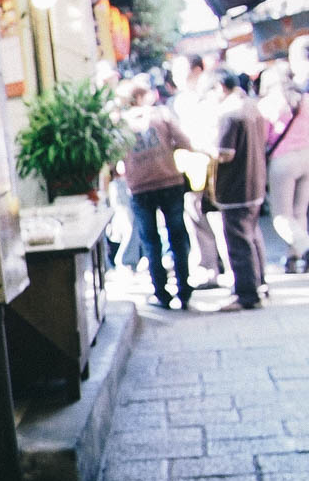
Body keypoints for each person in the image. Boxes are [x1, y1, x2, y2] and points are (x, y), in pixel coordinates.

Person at [115, 81, 194, 307]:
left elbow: (115, 161)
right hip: (170, 181)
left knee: (151, 241)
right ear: (140, 96)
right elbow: (184, 141)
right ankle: (184, 289)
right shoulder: (161, 115)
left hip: (140, 189)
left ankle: (161, 292)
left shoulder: (121, 125)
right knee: (178, 236)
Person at [208, 66, 269, 310]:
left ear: (220, 87)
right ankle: (258, 284)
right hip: (254, 183)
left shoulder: (230, 113)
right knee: (252, 237)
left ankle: (246, 294)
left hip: (236, 187)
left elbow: (225, 154)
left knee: (239, 242)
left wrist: (204, 148)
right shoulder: (252, 106)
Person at [168, 53, 225, 289]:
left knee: (216, 219)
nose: (176, 77)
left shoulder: (209, 98)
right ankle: (208, 267)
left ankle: (220, 268)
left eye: (180, 71)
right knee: (197, 217)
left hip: (213, 167)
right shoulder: (181, 101)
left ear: (197, 70)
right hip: (193, 169)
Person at [260, 61, 309, 273]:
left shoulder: (269, 104)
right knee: (299, 212)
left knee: (281, 216)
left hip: (283, 161)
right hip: (307, 156)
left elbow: (262, 138)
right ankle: (294, 257)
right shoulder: (305, 100)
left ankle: (305, 248)